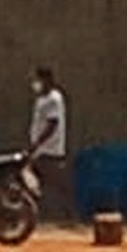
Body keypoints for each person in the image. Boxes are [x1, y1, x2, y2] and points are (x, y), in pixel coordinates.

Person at [27, 66, 74, 223]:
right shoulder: (41, 99)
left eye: (38, 80)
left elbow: (52, 124)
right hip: (40, 150)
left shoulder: (54, 99)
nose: (36, 84)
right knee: (39, 183)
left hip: (50, 150)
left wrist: (39, 142)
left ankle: (67, 215)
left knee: (55, 184)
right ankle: (48, 214)